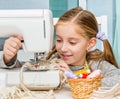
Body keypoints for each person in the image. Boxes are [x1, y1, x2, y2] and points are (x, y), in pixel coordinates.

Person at [0, 7, 120, 87]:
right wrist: (8, 58)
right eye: (59, 40)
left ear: (90, 44)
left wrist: (74, 79)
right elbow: (24, 69)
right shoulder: (51, 59)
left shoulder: (97, 64)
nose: (63, 48)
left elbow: (117, 79)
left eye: (72, 42)